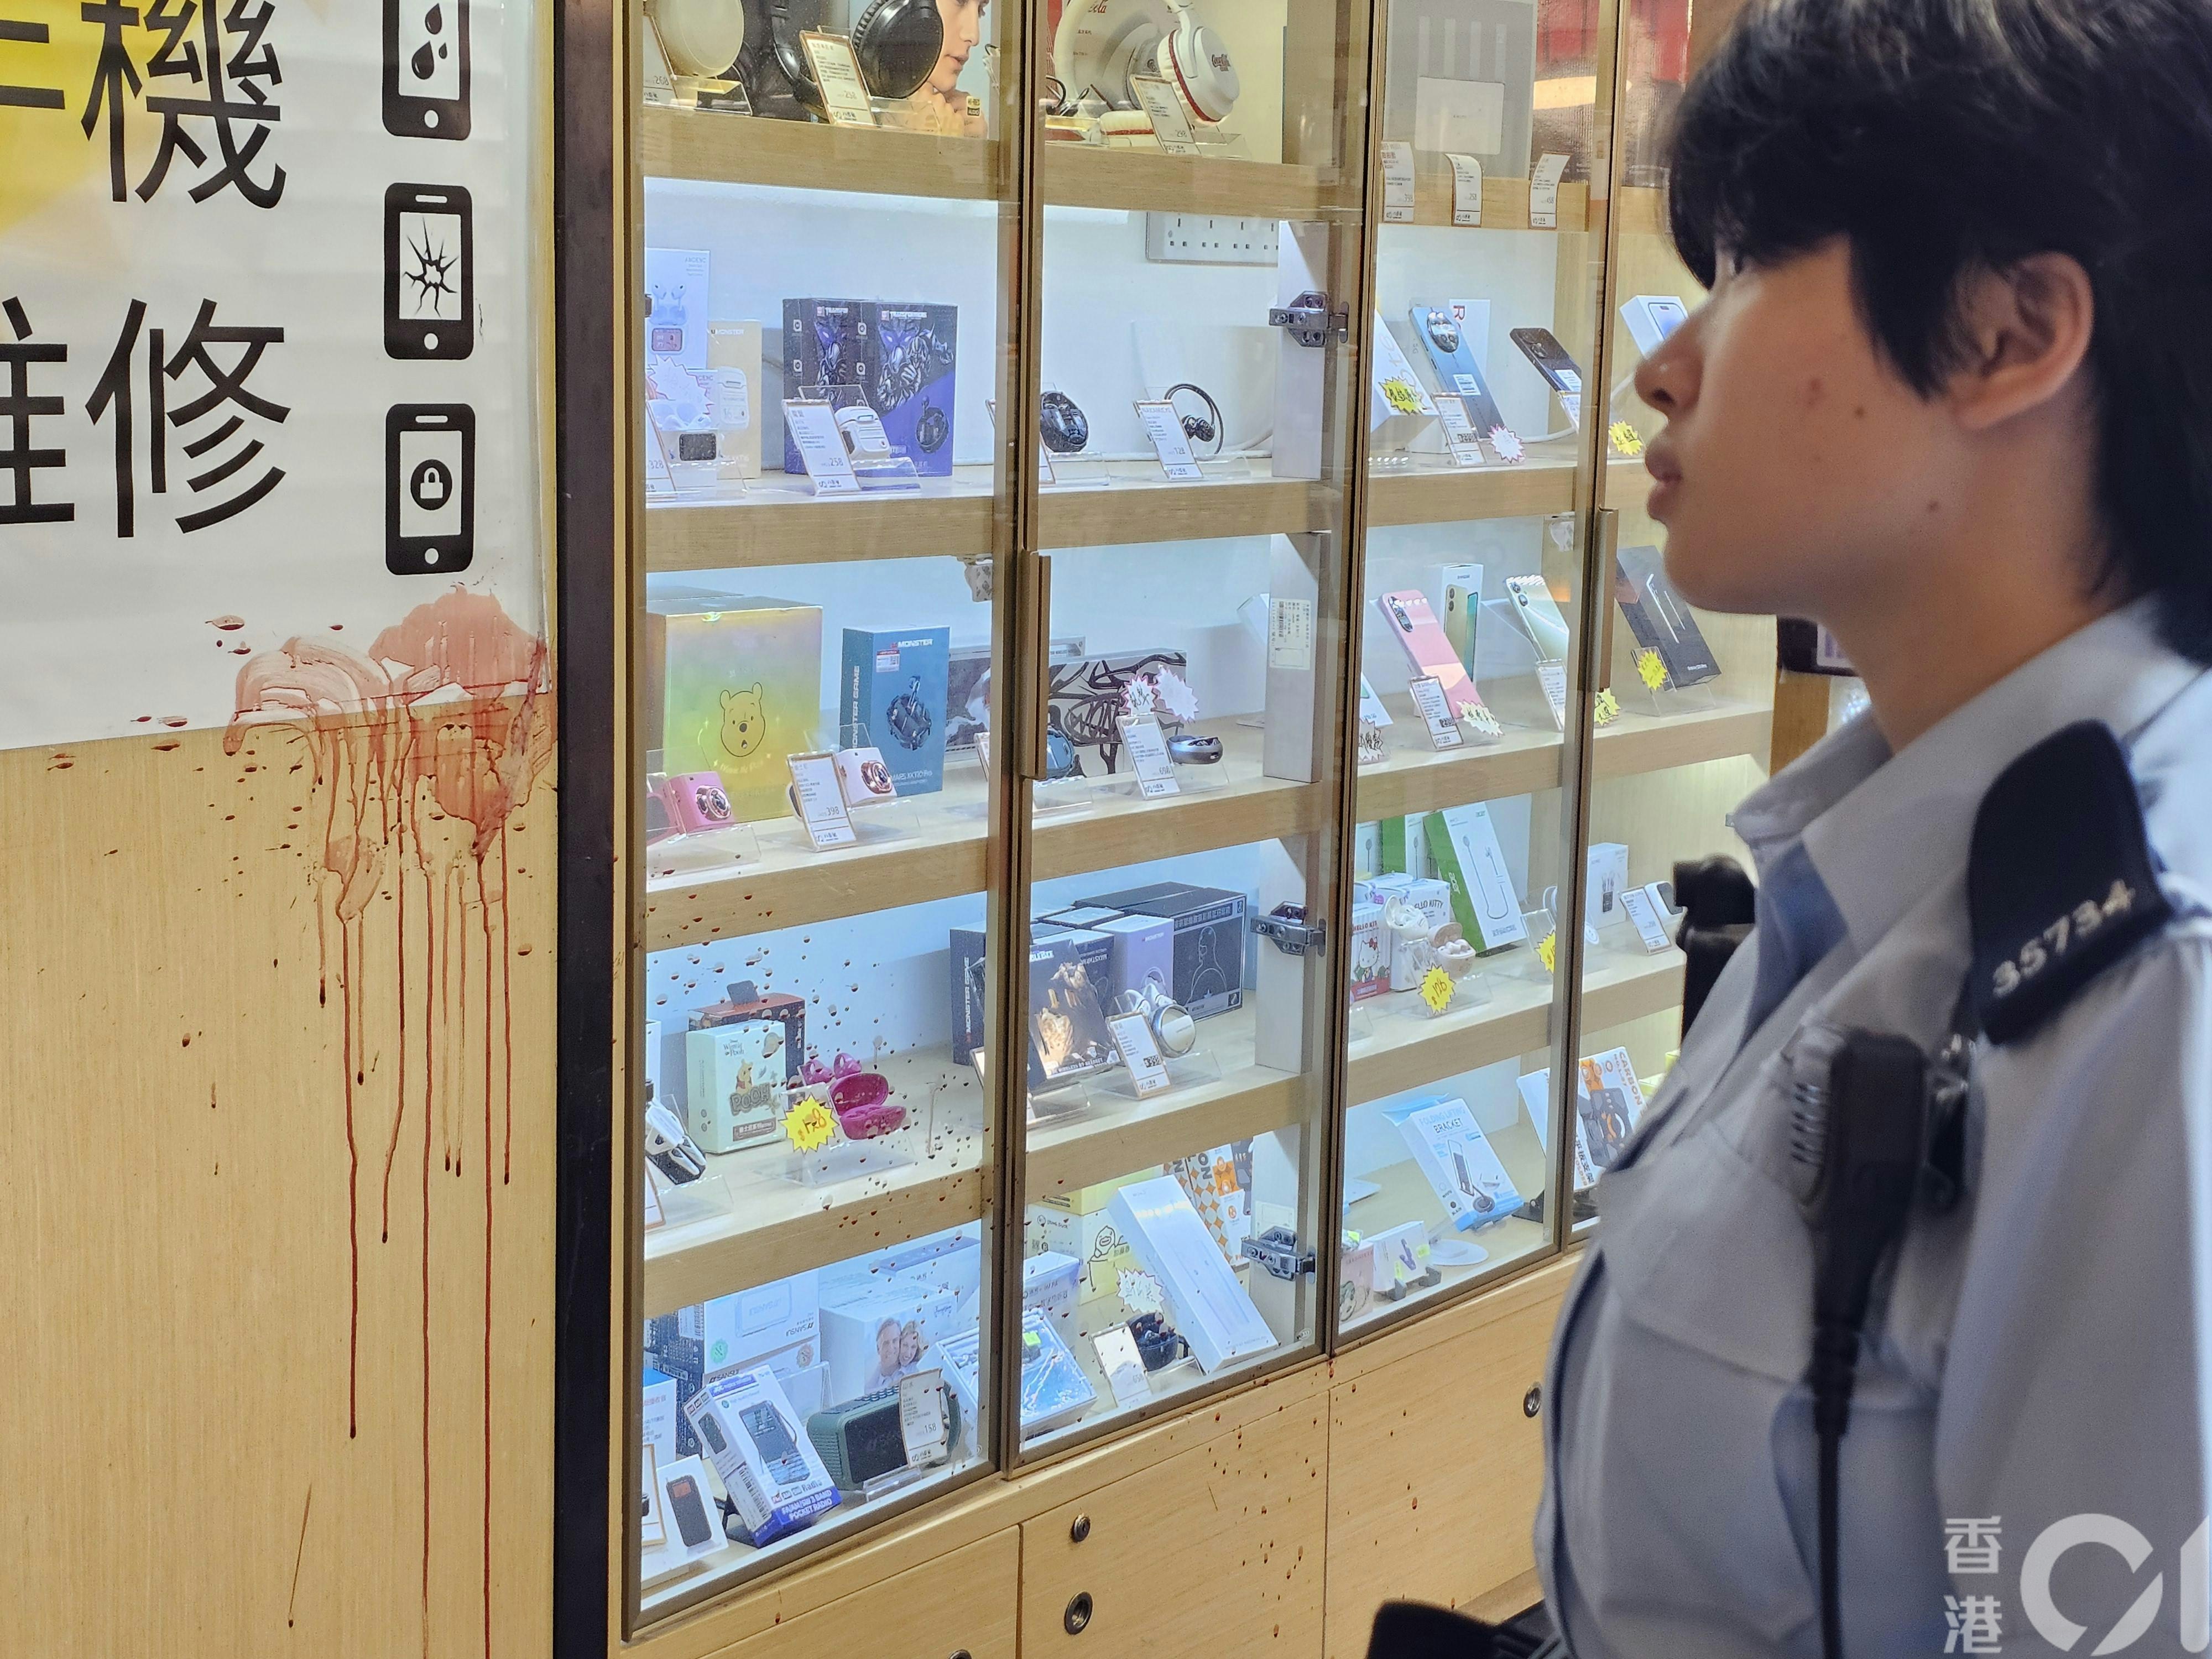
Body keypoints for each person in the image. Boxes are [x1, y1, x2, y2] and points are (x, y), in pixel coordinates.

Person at [1536, 2, 2212, 1656]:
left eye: (1752, 264)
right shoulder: (1885, 862)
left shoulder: (2153, 991)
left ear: (2008, 333)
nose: (1663, 365)